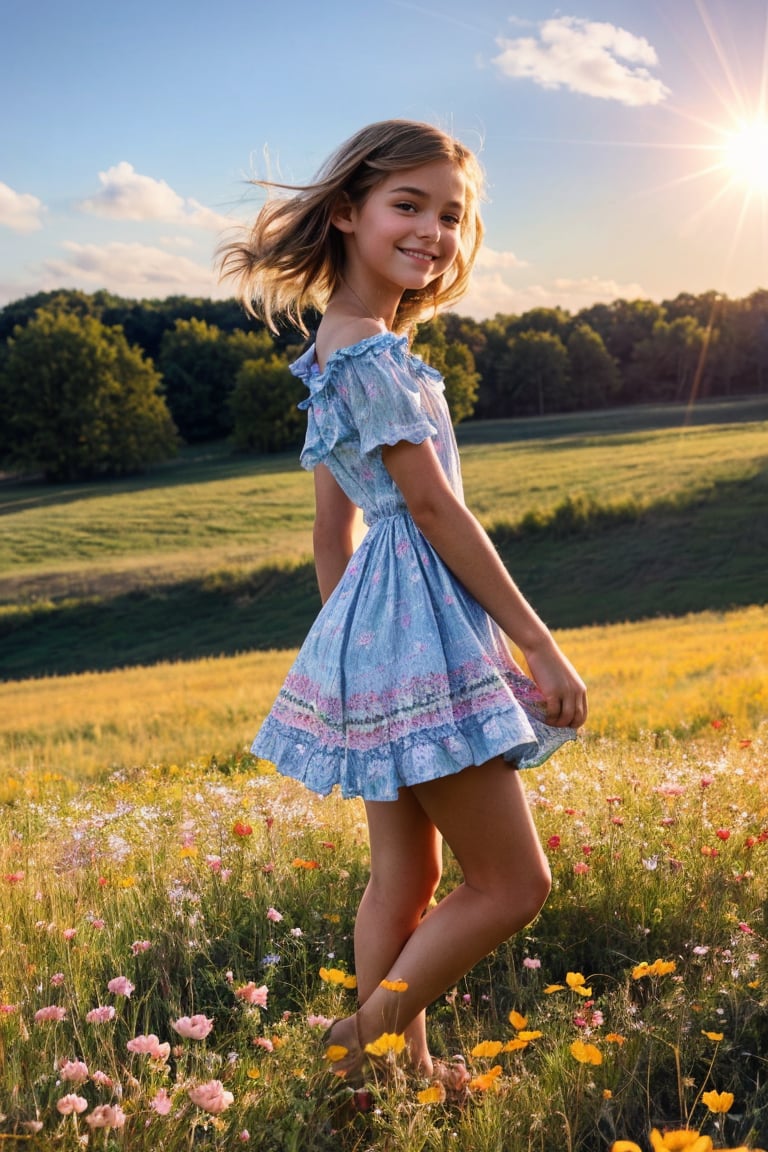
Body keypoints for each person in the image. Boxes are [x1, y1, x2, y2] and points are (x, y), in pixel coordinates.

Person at [218, 119, 587, 1095]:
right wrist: (537, 645)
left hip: (375, 639)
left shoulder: (338, 353)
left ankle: (404, 1074)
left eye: (452, 216)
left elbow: (330, 535)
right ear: (347, 213)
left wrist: (354, 666)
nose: (434, 232)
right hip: (419, 632)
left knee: (406, 879)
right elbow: (432, 507)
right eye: (408, 206)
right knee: (514, 884)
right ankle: (366, 1038)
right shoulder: (375, 362)